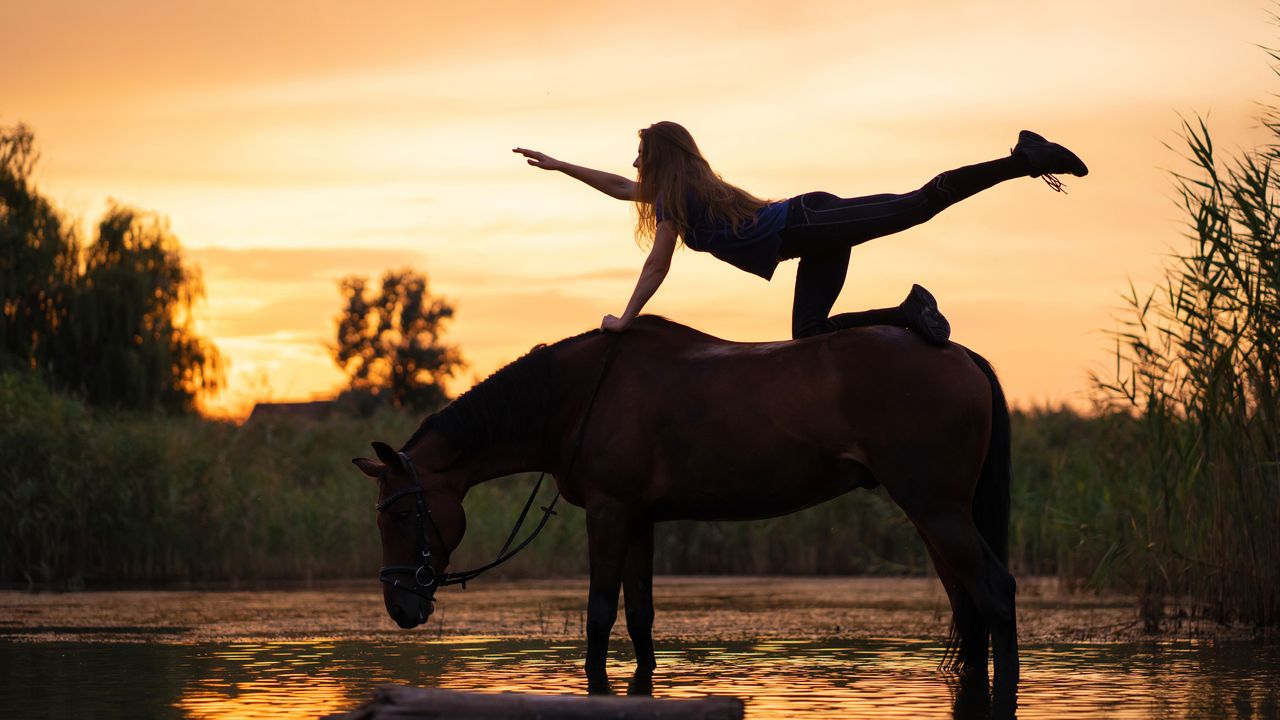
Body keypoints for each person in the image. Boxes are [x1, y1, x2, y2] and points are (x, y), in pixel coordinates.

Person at [513, 122, 1087, 344]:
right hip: (807, 236)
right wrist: (561, 166)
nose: (635, 165)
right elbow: (618, 187)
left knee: (918, 205)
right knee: (811, 334)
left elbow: (657, 266)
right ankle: (908, 314)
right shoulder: (678, 192)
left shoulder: (678, 200)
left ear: (661, 158)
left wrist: (626, 318)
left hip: (808, 221)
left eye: (641, 156)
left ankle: (1021, 160)